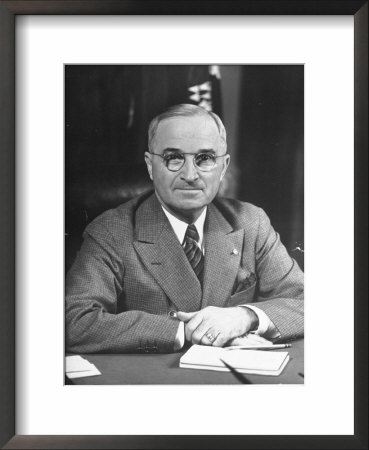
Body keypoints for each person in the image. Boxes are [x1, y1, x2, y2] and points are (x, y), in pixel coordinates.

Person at [66, 104, 304, 354]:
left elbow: (307, 303)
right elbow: (74, 321)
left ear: (223, 167)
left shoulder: (251, 222)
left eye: (205, 159)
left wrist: (244, 316)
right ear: (150, 165)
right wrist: (184, 331)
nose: (190, 174)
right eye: (173, 158)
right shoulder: (111, 231)